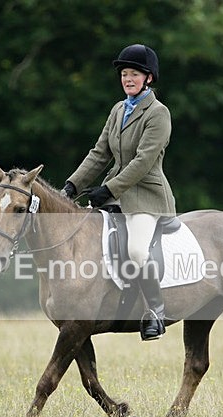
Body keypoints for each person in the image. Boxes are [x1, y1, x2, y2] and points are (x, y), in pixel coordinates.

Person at [61, 43, 176, 341]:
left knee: (137, 249)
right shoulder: (117, 110)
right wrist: (71, 186)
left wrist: (107, 189)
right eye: (124, 74)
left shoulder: (158, 114)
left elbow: (142, 162)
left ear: (148, 78)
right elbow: (100, 153)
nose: (127, 79)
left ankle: (155, 311)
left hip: (146, 198)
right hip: (115, 195)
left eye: (134, 74)